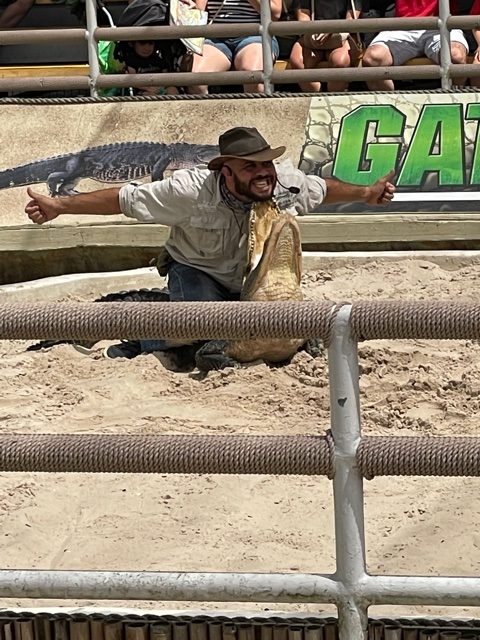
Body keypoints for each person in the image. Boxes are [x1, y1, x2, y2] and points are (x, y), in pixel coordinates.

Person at [25, 126, 396, 359]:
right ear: (226, 170)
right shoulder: (188, 190)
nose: (263, 172)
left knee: (292, 330)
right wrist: (60, 205)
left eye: (265, 163)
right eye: (251, 166)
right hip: (197, 271)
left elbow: (322, 188)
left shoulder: (284, 182)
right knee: (202, 330)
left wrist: (366, 192)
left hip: (252, 279)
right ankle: (142, 341)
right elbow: (125, 199)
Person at [361, 0, 469, 90]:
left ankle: (454, 104)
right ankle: (392, 108)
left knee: (455, 56)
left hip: (441, 23)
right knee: (372, 59)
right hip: (402, 26)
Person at [187, 0, 282, 94]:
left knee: (253, 76)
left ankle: (256, 108)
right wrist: (191, 8)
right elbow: (200, 10)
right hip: (216, 37)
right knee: (196, 80)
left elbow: (275, 14)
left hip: (255, 35)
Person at [288, 0, 363, 93]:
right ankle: (317, 96)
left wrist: (330, 28)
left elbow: (351, 19)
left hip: (342, 36)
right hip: (313, 35)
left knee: (340, 62)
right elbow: (303, 16)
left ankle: (334, 98)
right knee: (297, 60)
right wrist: (314, 29)